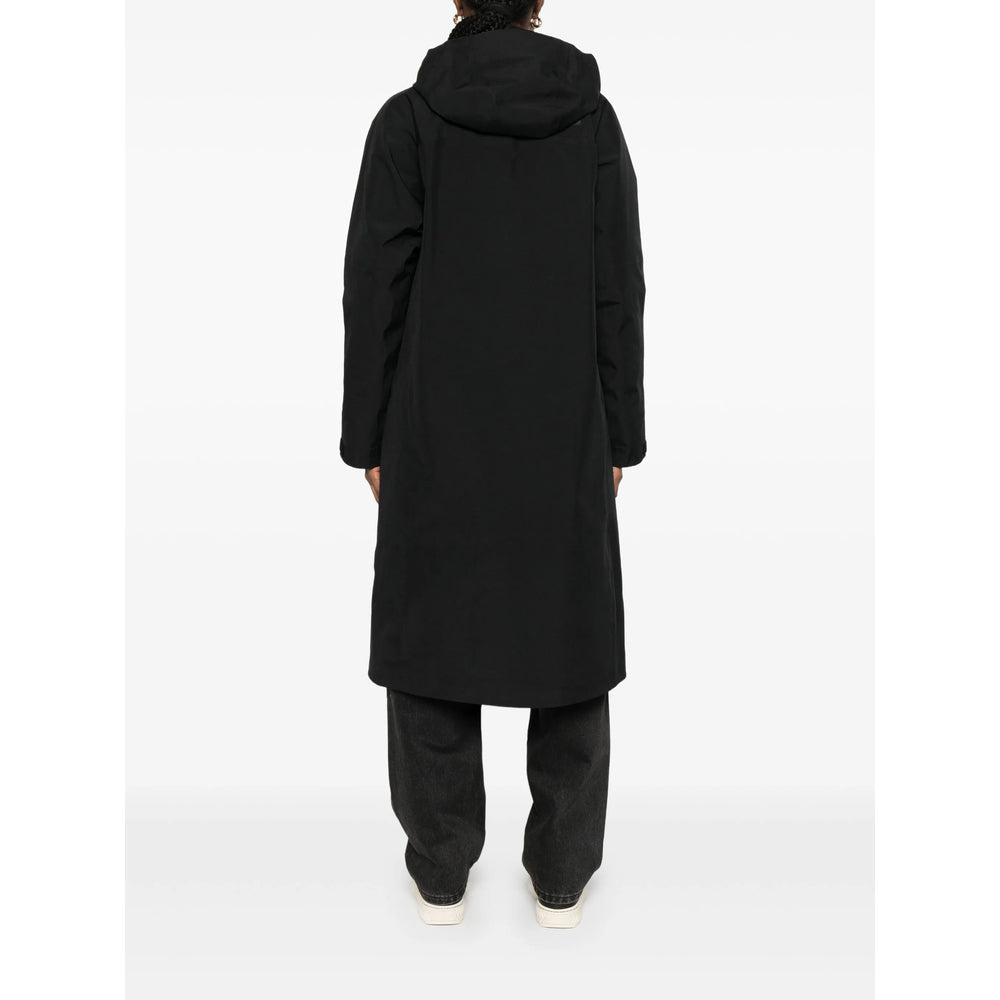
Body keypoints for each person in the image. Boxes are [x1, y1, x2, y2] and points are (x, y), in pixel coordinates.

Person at [339, 0, 645, 929]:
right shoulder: (592, 122)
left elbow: (374, 287)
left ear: (459, 1)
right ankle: (562, 876)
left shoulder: (409, 121)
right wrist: (620, 435)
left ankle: (440, 871)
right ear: (538, 4)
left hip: (434, 425)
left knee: (431, 631)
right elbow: (618, 285)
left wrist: (368, 437)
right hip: (564, 425)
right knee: (569, 631)